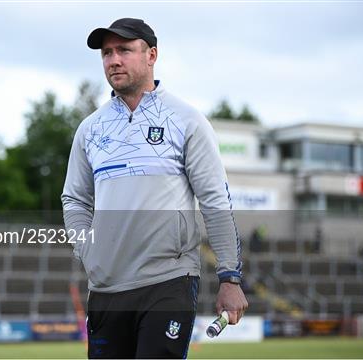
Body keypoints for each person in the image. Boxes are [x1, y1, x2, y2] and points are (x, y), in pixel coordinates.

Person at [61, 18, 248, 358]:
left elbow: (215, 202)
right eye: (107, 53)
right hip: (106, 286)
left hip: (169, 279)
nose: (113, 60)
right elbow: (74, 198)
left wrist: (229, 278)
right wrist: (87, 251)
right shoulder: (90, 129)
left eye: (124, 50)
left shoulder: (186, 120)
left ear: (151, 55)